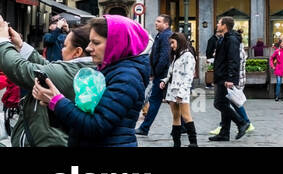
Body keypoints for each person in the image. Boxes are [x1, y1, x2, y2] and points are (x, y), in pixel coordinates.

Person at [31, 16, 149, 147]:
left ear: (116, 43)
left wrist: (58, 102)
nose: (88, 48)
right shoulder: (108, 70)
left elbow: (97, 126)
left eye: (96, 43)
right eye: (90, 42)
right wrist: (53, 104)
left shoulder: (126, 77)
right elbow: (81, 126)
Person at [0, 15, 96, 146]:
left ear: (78, 52)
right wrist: (20, 45)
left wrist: (3, 41)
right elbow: (45, 68)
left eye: (65, 45)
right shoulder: (84, 69)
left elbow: (21, 69)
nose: (61, 49)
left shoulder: (75, 72)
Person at [210, 17, 249, 141]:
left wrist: (230, 78)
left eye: (219, 23)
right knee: (224, 103)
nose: (217, 24)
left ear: (225, 25)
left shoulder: (231, 39)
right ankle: (224, 133)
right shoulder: (224, 38)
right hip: (221, 76)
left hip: (225, 77)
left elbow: (233, 60)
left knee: (219, 103)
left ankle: (241, 122)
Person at [136, 13, 174, 137]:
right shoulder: (161, 35)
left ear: (166, 24)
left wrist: (156, 73)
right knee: (171, 100)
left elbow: (164, 57)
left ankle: (144, 128)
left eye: (159, 21)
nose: (156, 23)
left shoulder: (165, 36)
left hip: (162, 75)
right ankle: (183, 126)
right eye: (156, 21)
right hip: (162, 74)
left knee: (154, 100)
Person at [162, 31, 198, 146]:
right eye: (170, 43)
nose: (171, 45)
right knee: (176, 117)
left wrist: (181, 93)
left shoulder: (188, 56)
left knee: (186, 116)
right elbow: (171, 72)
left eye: (173, 42)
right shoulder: (177, 55)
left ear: (180, 41)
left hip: (181, 91)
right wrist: (164, 81)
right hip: (172, 90)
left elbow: (188, 76)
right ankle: (176, 144)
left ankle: (193, 143)